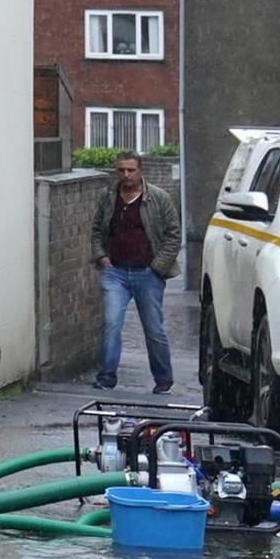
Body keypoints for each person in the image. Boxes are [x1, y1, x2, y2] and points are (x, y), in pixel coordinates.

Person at [93, 153, 179, 393]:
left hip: (147, 272)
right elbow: (96, 230)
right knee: (111, 323)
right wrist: (102, 257)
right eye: (121, 170)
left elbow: (174, 234)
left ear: (140, 171)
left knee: (154, 328)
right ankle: (106, 377)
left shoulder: (158, 198)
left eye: (131, 170)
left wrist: (158, 267)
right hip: (115, 272)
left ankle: (163, 380)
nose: (126, 175)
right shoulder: (108, 198)